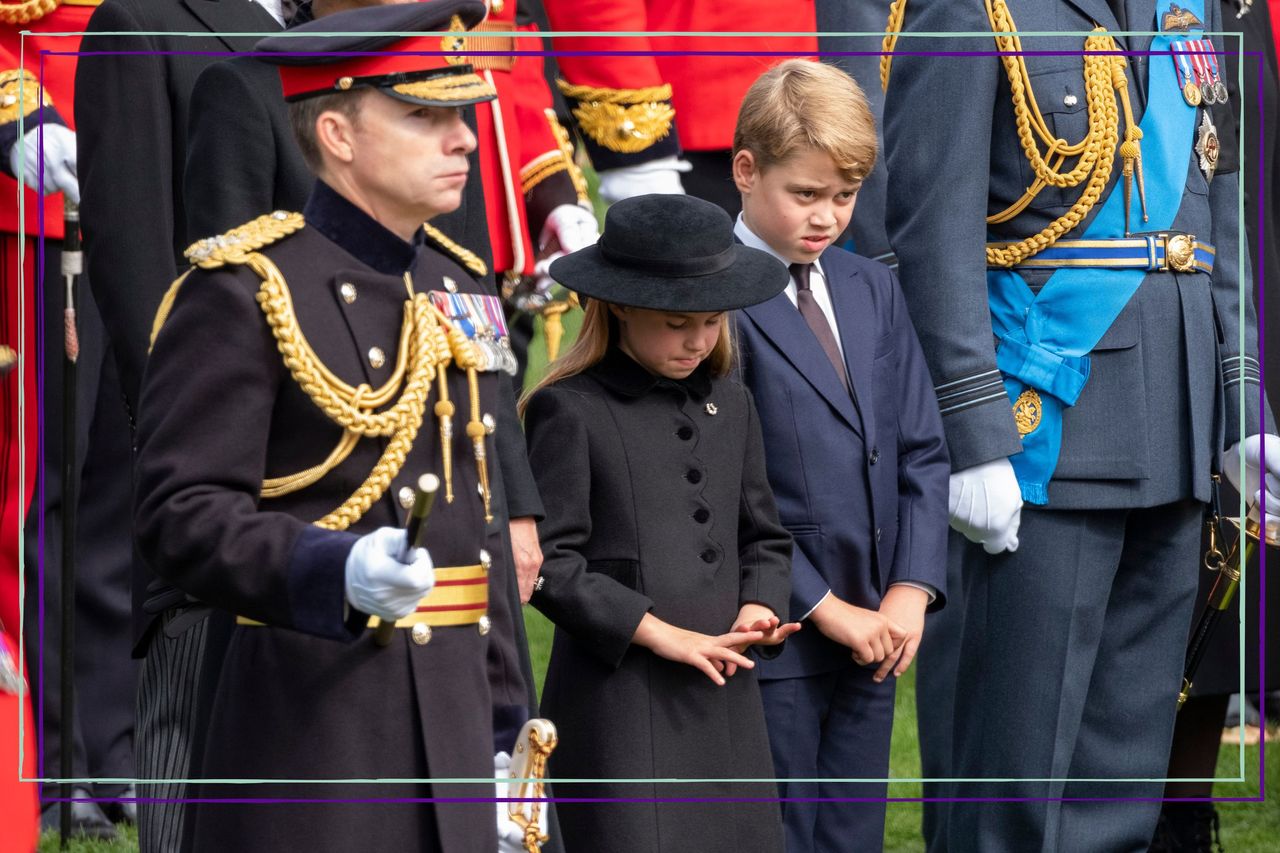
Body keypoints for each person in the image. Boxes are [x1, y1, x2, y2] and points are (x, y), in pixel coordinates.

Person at [882, 1, 1278, 850]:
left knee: (1121, 792)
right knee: (1012, 787)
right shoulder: (973, 8)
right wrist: (969, 429)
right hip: (1041, 434)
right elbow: (929, 225)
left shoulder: (1186, 7)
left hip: (1175, 429)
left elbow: (1216, 217)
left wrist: (1242, 403)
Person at [133, 2, 511, 849]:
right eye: (426, 116)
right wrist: (327, 566)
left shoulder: (456, 287)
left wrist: (508, 733)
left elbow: (476, 538)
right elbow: (181, 512)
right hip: (318, 731)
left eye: (461, 116)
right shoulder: (245, 288)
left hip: (456, 718)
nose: (465, 140)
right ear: (338, 134)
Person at [522, 193, 797, 853]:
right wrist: (659, 632)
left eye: (710, 321)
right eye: (677, 323)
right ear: (619, 305)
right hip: (619, 700)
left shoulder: (730, 401)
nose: (698, 340)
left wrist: (760, 604)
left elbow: (764, 533)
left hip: (723, 694)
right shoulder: (570, 409)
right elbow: (551, 564)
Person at [729, 59, 950, 853]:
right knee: (780, 833)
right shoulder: (712, 300)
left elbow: (920, 449)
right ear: (746, 170)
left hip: (877, 632)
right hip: (779, 629)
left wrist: (911, 591)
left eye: (845, 196)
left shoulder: (869, 287)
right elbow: (727, 489)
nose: (827, 216)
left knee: (852, 834)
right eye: (806, 194)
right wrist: (827, 607)